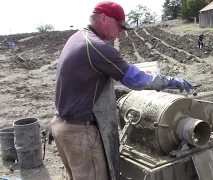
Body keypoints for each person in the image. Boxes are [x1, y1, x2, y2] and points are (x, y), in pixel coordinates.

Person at [51, 1, 194, 180]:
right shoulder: (96, 47)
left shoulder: (78, 38)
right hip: (80, 132)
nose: (121, 31)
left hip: (62, 126)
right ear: (103, 18)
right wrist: (171, 81)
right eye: (119, 25)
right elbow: (136, 80)